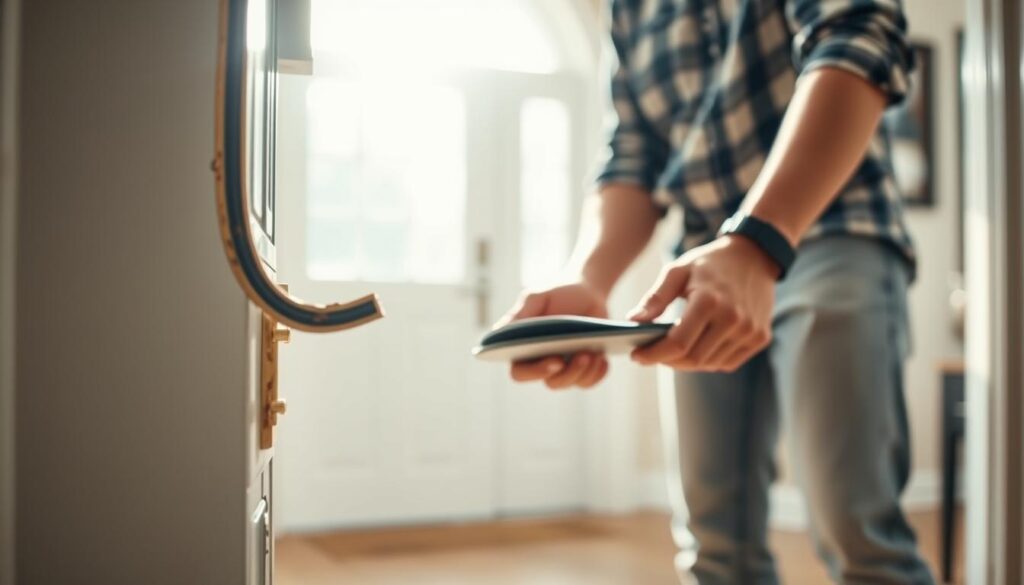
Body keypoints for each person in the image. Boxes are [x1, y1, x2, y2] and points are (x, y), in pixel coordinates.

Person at [495, 0, 936, 583]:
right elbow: (633, 151)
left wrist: (757, 241)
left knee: (857, 534)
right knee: (715, 546)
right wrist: (589, 277)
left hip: (838, 225)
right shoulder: (627, 10)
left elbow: (856, 37)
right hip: (700, 257)